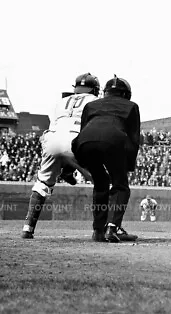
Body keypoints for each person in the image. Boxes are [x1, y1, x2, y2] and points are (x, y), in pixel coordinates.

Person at [21, 73, 99, 239]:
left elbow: (55, 124)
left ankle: (28, 227)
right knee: (100, 181)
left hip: (52, 138)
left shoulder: (61, 102)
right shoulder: (95, 101)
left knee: (42, 184)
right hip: (76, 139)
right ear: (95, 89)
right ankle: (102, 229)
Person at [72, 75, 141, 243]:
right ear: (126, 94)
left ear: (105, 92)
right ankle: (112, 227)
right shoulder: (131, 106)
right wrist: (127, 167)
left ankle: (97, 231)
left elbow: (83, 130)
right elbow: (133, 139)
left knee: (100, 182)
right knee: (120, 186)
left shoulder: (91, 105)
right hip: (114, 141)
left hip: (83, 143)